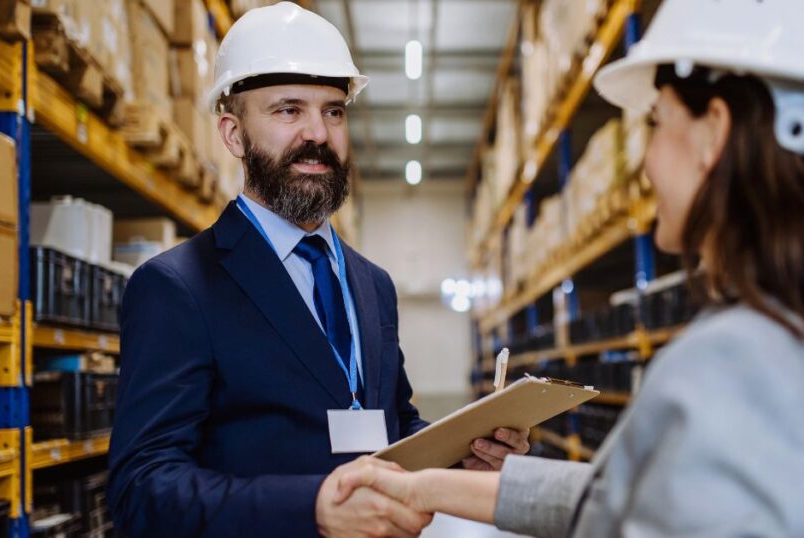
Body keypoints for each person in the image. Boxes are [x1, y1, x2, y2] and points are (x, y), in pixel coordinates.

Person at [332, 1, 804, 536]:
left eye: (656, 123)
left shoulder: (736, 366)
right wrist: (430, 485)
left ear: (714, 132)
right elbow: (631, 496)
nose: (645, 160)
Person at [106, 3, 528, 537]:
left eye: (333, 111)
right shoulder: (179, 286)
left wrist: (463, 457)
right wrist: (312, 508)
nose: (318, 134)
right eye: (288, 111)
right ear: (233, 135)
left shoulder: (372, 283)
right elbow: (140, 489)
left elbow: (394, 427)